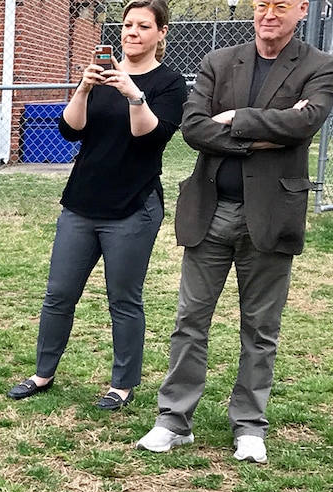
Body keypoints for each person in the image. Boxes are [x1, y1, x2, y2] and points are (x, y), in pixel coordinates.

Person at [136, 0, 333, 462]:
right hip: (210, 211)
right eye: (262, 3)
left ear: (300, 10)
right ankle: (173, 421)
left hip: (272, 214)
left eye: (280, 5)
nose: (269, 13)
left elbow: (305, 123)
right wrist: (265, 134)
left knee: (261, 329)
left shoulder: (320, 66)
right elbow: (193, 128)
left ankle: (249, 426)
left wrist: (234, 119)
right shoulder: (219, 61)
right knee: (190, 321)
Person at [8, 0, 187, 410]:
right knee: (58, 295)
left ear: (161, 33)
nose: (132, 32)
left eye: (144, 26)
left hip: (132, 207)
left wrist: (132, 93)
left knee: (124, 300)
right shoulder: (100, 75)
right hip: (81, 204)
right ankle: (42, 373)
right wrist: (85, 87)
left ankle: (122, 385)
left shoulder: (169, 83)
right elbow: (70, 130)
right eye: (127, 25)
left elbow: (150, 137)